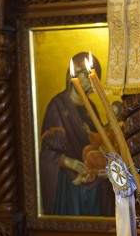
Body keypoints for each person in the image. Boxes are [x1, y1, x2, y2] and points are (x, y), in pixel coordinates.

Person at [39, 52, 115, 216]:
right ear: (71, 76)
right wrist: (68, 162)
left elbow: (100, 142)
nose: (89, 80)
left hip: (93, 178)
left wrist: (104, 166)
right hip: (68, 182)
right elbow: (46, 152)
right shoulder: (57, 106)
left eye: (93, 75)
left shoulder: (91, 107)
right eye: (85, 74)